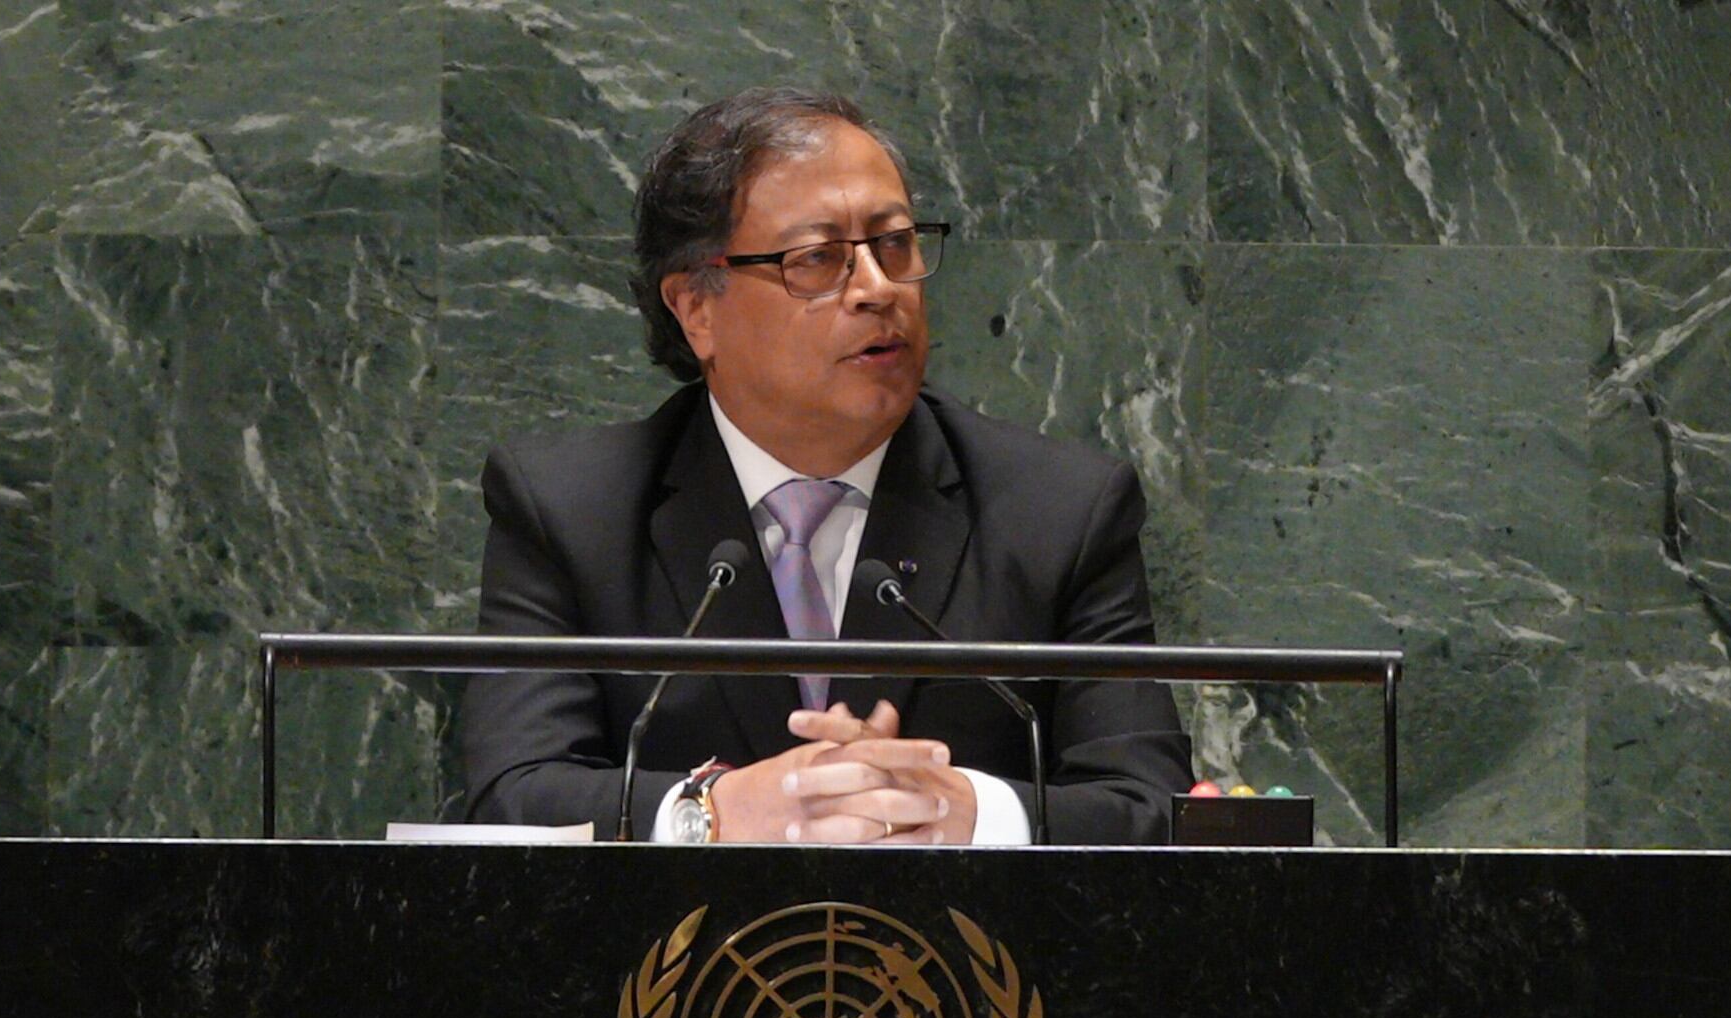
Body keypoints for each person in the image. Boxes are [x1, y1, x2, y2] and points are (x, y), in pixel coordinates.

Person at [462, 87, 1193, 844]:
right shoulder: (571, 512)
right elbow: (510, 796)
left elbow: (1153, 808)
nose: (878, 288)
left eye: (895, 244)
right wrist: (712, 811)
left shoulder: (1059, 511)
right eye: (817, 259)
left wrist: (968, 811)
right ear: (696, 309)